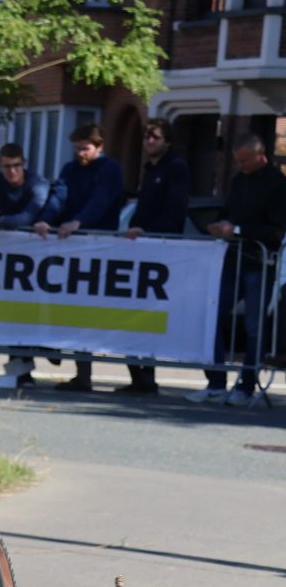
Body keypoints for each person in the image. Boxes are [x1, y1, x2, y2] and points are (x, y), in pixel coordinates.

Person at [185, 133, 286, 407]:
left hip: (259, 263)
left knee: (254, 327)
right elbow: (229, 211)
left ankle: (246, 386)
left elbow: (277, 231)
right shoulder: (240, 179)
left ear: (260, 155)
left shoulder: (278, 185)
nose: (241, 165)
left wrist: (238, 229)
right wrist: (218, 224)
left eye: (245, 160)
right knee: (212, 316)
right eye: (238, 160)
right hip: (233, 260)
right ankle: (216, 382)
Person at [34, 123, 126, 392]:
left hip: (99, 247)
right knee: (68, 307)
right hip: (72, 247)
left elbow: (102, 200)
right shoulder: (70, 169)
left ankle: (93, 373)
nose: (80, 154)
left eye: (85, 149)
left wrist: (79, 222)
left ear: (99, 147)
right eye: (77, 149)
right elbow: (58, 197)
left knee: (90, 312)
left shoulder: (109, 169)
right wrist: (45, 219)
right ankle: (73, 365)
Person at [117, 118, 191, 395]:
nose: (149, 141)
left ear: (167, 141)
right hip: (141, 248)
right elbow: (143, 208)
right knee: (130, 313)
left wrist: (148, 232)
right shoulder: (150, 169)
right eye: (146, 136)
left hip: (160, 251)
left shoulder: (175, 168)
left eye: (155, 137)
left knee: (150, 315)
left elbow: (175, 212)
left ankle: (147, 375)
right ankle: (137, 376)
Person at [0, 144, 49, 232]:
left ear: (23, 163)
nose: (12, 171)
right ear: (0, 165)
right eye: (7, 166)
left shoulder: (38, 184)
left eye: (16, 165)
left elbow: (27, 218)